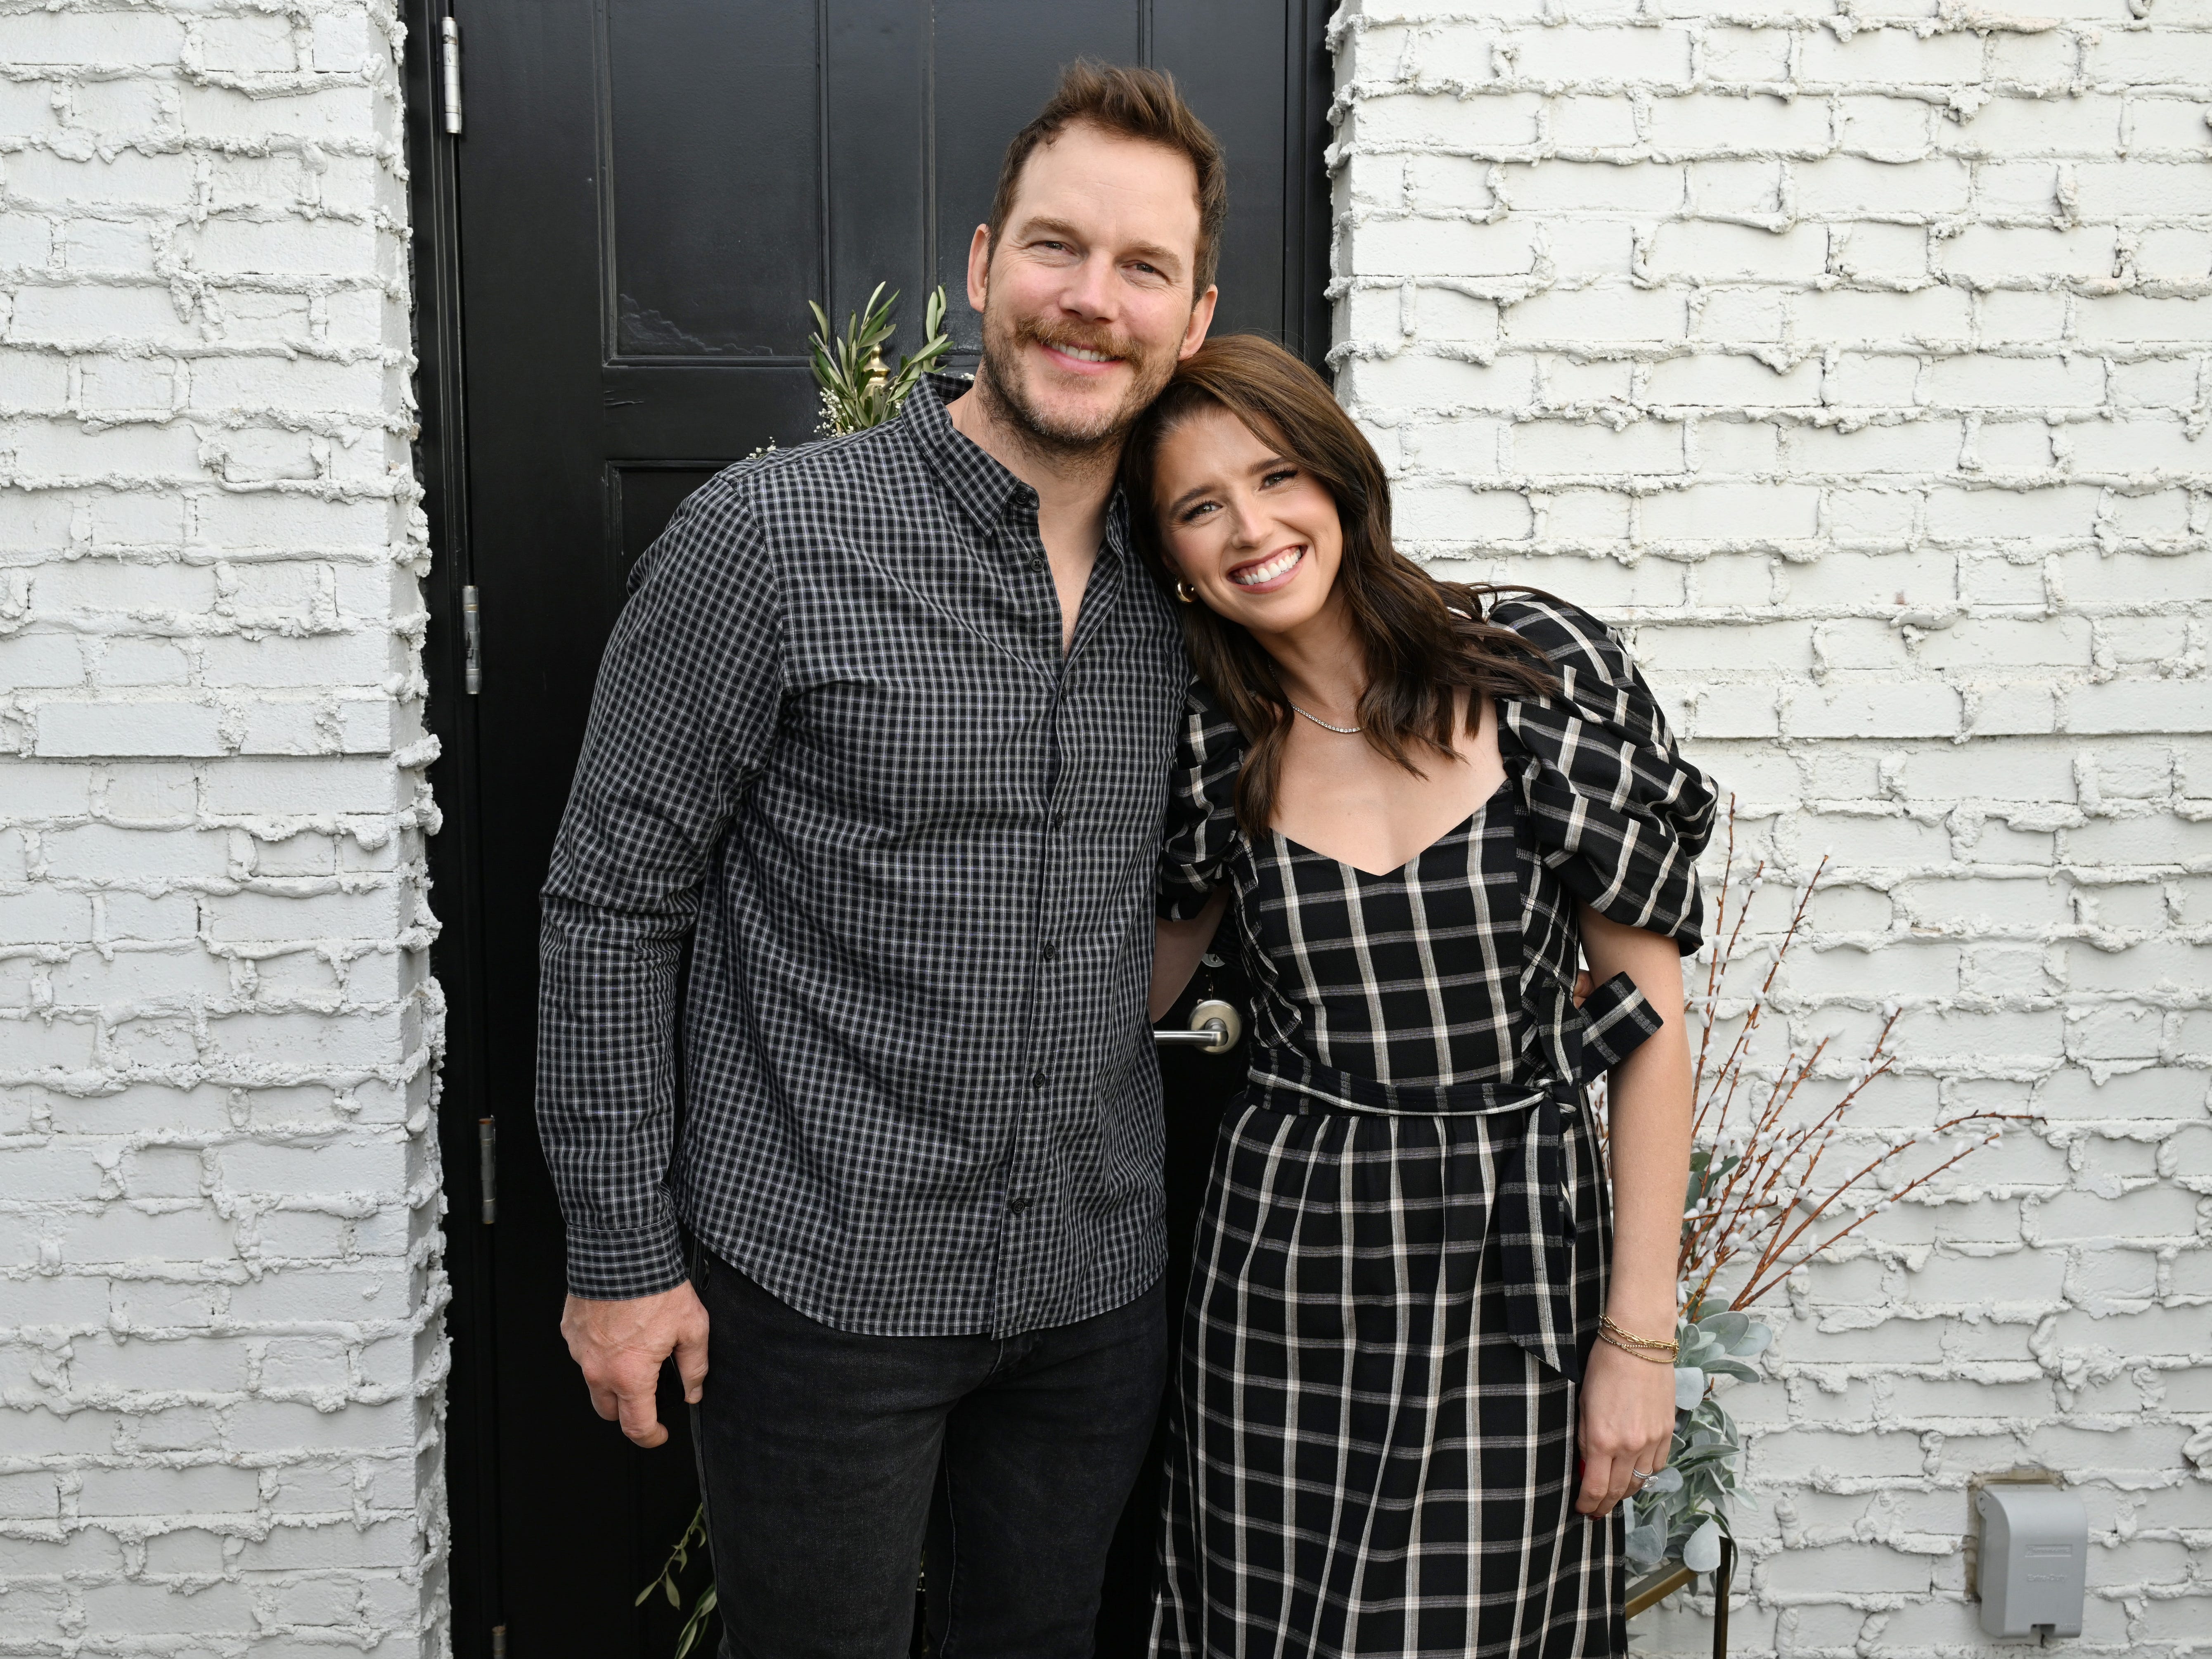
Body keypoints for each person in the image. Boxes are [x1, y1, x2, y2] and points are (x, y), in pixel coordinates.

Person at [535, 64, 1221, 1657]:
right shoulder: (771, 541)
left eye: (1144, 268)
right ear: (982, 266)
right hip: (819, 1287)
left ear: (1192, 322)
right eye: (1057, 247)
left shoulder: (1190, 584)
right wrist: (620, 1259)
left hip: (1090, 1290)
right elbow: (612, 903)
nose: (1092, 299)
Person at [1127, 336, 1719, 1658]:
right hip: (1285, 1269)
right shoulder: (1209, 739)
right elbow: (1121, 999)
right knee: (1268, 1628)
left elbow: (1651, 1032)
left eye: (1275, 476)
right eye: (1200, 506)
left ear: (1339, 478)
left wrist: (1639, 1340)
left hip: (1517, 1264)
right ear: (1170, 555)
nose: (1252, 529)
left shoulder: (1534, 673)